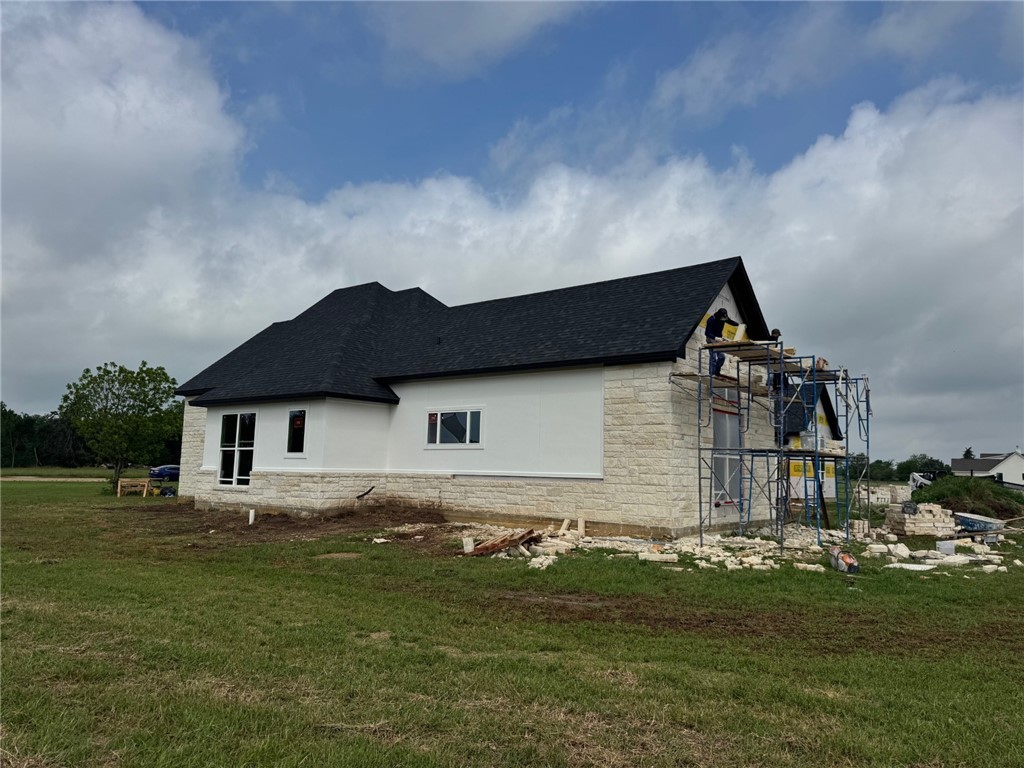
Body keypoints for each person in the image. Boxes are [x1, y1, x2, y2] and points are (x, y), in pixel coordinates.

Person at [704, 307, 737, 377]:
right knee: (713, 356)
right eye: (722, 318)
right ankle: (712, 373)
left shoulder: (724, 318)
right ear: (719, 316)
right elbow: (707, 333)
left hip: (719, 338)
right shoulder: (711, 320)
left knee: (722, 357)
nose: (723, 320)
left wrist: (739, 325)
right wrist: (716, 338)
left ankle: (716, 371)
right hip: (711, 338)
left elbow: (730, 322)